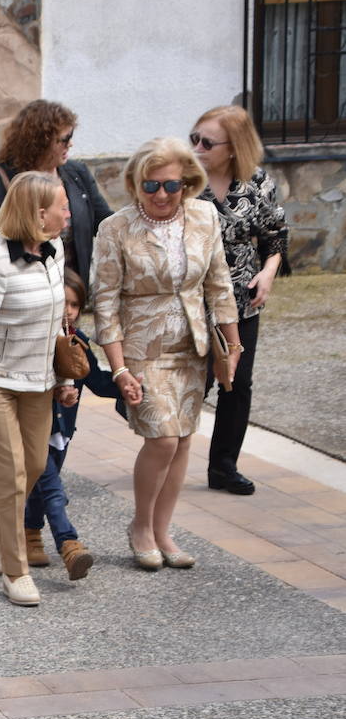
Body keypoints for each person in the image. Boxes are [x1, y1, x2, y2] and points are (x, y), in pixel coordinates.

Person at [92, 137, 240, 571]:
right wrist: (118, 369)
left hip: (192, 347)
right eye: (150, 186)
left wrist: (232, 347)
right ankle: (141, 526)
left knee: (182, 442)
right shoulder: (115, 228)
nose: (160, 195)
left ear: (188, 184)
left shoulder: (204, 216)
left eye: (171, 186)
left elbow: (219, 285)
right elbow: (105, 303)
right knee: (163, 438)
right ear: (136, 184)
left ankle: (163, 530)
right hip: (141, 349)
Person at [0, 172, 72, 606]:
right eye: (62, 205)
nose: (68, 212)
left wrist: (67, 377)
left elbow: (59, 323)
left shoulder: (54, 252)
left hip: (39, 381)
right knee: (12, 475)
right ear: (39, 214)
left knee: (37, 465)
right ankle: (15, 570)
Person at [190, 105, 289, 496]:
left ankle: (224, 467)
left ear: (233, 148)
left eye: (207, 142)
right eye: (194, 138)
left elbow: (275, 235)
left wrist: (268, 273)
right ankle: (166, 452)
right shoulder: (181, 179)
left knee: (238, 382)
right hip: (191, 299)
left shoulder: (257, 182)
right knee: (194, 383)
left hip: (241, 297)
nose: (197, 147)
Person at [23, 269, 121, 580]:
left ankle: (29, 533)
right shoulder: (33, 339)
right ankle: (69, 544)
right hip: (34, 427)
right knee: (53, 490)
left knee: (41, 490)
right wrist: (57, 390)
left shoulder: (77, 341)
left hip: (63, 431)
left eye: (75, 305)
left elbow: (99, 383)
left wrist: (129, 380)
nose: (68, 310)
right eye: (63, 302)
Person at [0, 99, 113, 288]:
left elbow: (105, 223)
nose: (70, 144)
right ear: (40, 141)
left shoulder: (77, 174)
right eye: (64, 139)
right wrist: (19, 230)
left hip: (69, 291)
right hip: (18, 290)